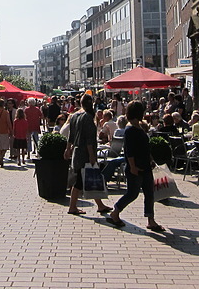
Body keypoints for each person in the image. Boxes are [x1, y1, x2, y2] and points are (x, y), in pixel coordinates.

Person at [106, 101, 164, 232]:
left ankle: (151, 220)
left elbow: (144, 147)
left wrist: (151, 159)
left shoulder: (138, 127)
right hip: (136, 167)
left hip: (145, 165)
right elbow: (129, 150)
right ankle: (115, 212)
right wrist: (132, 166)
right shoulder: (131, 129)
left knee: (149, 193)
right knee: (132, 193)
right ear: (139, 113)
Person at [65, 94, 112, 216]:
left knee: (88, 177)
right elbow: (89, 139)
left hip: (76, 151)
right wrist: (91, 155)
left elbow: (71, 135)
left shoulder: (75, 116)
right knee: (82, 180)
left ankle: (100, 205)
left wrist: (68, 149)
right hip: (85, 153)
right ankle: (72, 207)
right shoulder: (88, 118)